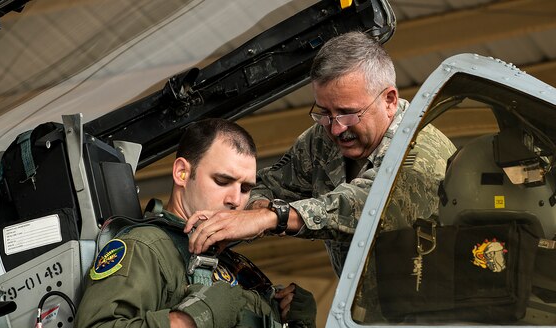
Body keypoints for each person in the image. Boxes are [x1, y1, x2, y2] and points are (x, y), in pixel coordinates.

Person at [184, 31, 457, 276]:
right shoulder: (321, 141)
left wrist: (272, 217)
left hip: (436, 318)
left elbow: (367, 203)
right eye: (324, 113)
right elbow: (268, 186)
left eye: (349, 114)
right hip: (364, 318)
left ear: (389, 100)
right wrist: (254, 209)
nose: (336, 129)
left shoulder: (422, 152)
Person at [69, 118, 318, 328]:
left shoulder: (234, 264)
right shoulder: (147, 247)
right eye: (222, 181)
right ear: (182, 173)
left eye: (245, 188)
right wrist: (192, 319)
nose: (235, 200)